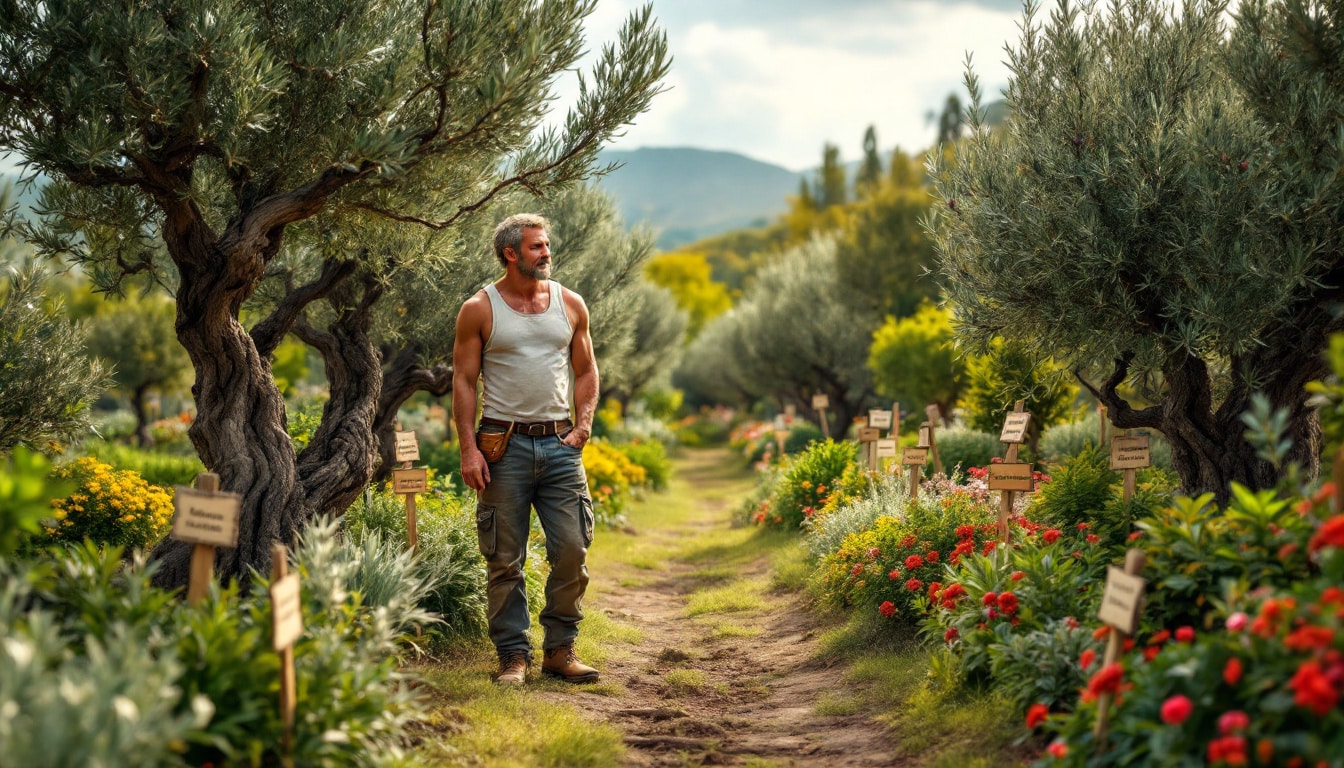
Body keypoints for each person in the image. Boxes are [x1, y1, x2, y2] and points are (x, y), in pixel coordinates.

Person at [452, 213, 600, 686]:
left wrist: (582, 427)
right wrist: (468, 449)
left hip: (561, 447)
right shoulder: (479, 308)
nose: (547, 252)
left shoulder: (570, 303)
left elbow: (587, 372)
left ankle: (559, 650)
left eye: (547, 244)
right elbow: (463, 380)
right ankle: (512, 657)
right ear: (511, 253)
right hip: (503, 447)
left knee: (574, 549)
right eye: (537, 246)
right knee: (504, 559)